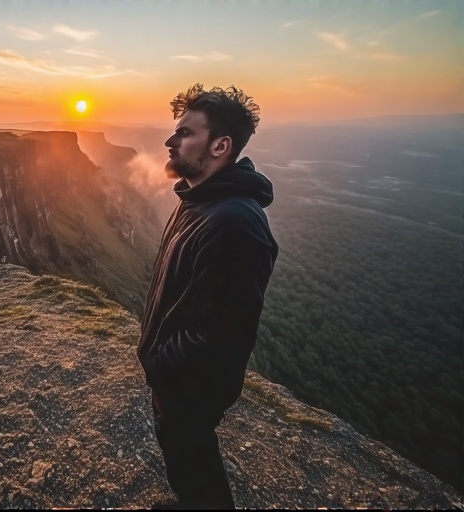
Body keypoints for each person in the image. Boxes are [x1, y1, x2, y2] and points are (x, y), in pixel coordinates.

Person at [138, 84, 278, 509]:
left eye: (185, 133)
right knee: (185, 460)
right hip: (179, 383)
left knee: (193, 463)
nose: (170, 140)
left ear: (220, 145)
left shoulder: (233, 223)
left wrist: (161, 370)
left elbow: (220, 335)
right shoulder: (198, 201)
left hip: (188, 388)